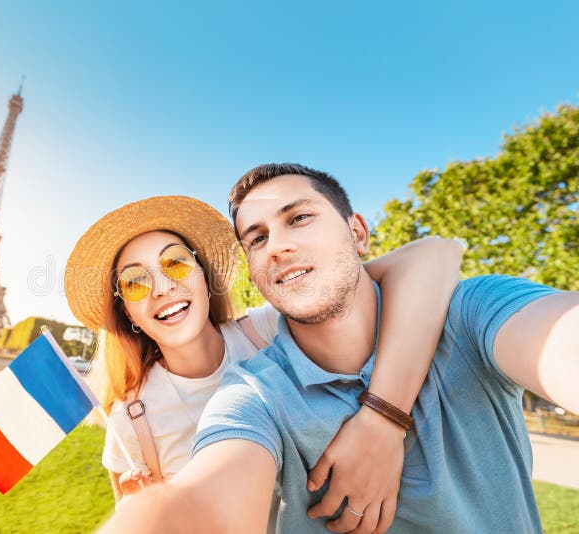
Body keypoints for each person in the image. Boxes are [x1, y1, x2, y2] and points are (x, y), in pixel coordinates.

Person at [100, 164, 579, 534]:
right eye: (258, 239)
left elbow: (438, 253)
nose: (278, 247)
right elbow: (210, 496)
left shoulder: (470, 313)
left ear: (358, 232)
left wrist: (383, 417)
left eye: (300, 218)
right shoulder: (251, 392)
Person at [64, 194, 464, 528]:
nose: (163, 288)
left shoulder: (271, 328)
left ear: (204, 275)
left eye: (175, 263)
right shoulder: (131, 419)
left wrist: (383, 419)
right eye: (135, 281)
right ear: (127, 314)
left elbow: (436, 254)